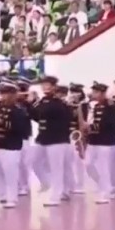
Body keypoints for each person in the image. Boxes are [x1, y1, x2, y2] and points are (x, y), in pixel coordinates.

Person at [28, 75, 73, 207]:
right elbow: (37, 116)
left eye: (47, 84)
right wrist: (29, 104)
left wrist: (33, 102)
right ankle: (47, 183)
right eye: (43, 84)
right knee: (35, 162)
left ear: (54, 87)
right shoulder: (43, 101)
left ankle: (56, 196)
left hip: (57, 139)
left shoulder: (58, 102)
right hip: (43, 137)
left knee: (56, 168)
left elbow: (49, 112)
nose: (44, 87)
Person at [0, 82, 30, 208]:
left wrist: (1, 122)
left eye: (5, 93)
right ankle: (2, 193)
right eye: (2, 93)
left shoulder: (18, 110)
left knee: (10, 173)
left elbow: (20, 129)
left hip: (11, 145)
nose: (3, 96)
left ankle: (12, 198)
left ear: (12, 95)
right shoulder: (0, 106)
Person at [85, 81, 115, 204]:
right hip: (93, 140)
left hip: (106, 141)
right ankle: (104, 185)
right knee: (88, 164)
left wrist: (90, 127)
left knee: (104, 168)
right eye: (93, 92)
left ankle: (105, 193)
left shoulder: (111, 106)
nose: (94, 94)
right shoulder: (94, 106)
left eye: (96, 92)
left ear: (103, 93)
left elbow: (108, 123)